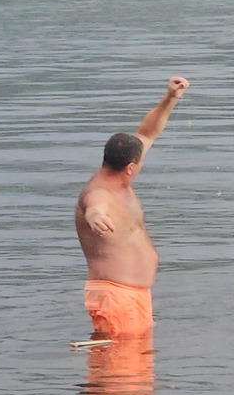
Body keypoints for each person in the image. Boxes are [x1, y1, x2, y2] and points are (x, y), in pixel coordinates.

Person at [76, 76, 189, 338]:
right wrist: (94, 217)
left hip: (132, 296)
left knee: (137, 373)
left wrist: (170, 98)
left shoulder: (119, 176)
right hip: (115, 297)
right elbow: (94, 206)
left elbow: (148, 133)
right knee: (118, 374)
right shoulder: (98, 191)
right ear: (129, 167)